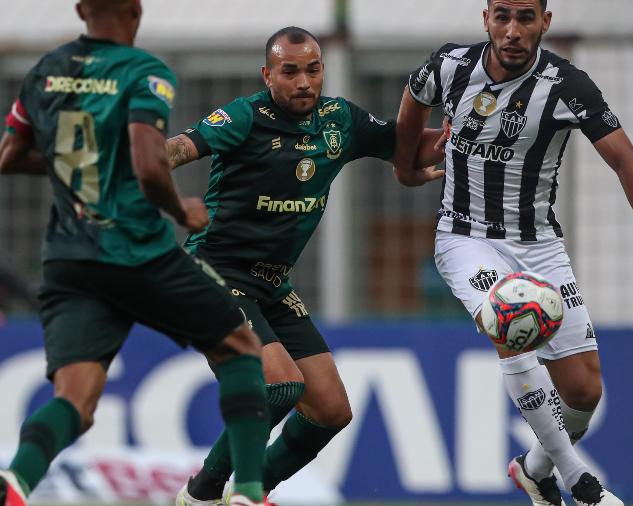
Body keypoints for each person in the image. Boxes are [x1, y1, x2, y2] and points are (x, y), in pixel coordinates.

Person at [393, 1, 633, 505]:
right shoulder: (450, 67)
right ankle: (580, 483)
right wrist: (404, 167)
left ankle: (533, 469)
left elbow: (626, 163)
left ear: (544, 23)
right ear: (484, 18)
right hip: (466, 239)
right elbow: (413, 100)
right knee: (511, 320)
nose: (512, 30)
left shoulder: (567, 86)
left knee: (583, 392)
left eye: (525, 18)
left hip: (540, 246)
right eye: (501, 16)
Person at [0, 1, 272, 505]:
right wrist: (180, 210)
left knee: (75, 402)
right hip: (135, 250)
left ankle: (15, 481)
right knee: (240, 347)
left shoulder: (44, 71)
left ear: (81, 9)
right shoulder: (145, 72)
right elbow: (149, 165)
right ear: (136, 10)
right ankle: (248, 495)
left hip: (66, 258)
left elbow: (9, 156)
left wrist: (81, 166)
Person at [166, 26, 446, 506]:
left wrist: (470, 141)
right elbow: (176, 150)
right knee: (280, 387)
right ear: (268, 75)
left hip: (271, 285)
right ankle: (201, 495)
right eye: (290, 71)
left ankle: (251, 495)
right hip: (215, 273)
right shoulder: (244, 117)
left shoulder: (339, 120)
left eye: (313, 69)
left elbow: (406, 143)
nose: (303, 82)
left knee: (331, 410)